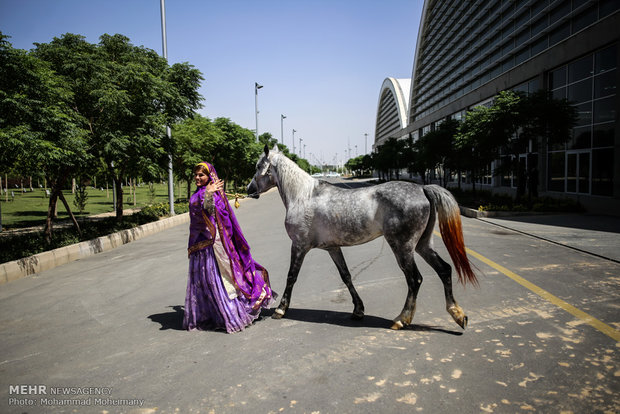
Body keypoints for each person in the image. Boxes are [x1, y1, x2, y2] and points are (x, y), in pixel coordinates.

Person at [184, 162, 275, 333]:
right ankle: (211, 315)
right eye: (195, 175)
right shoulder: (198, 194)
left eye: (201, 175)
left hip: (214, 245)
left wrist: (210, 194)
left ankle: (231, 315)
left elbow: (213, 212)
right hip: (200, 245)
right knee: (205, 283)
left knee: (220, 280)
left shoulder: (212, 193)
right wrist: (207, 193)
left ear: (209, 177)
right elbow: (197, 213)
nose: (197, 178)